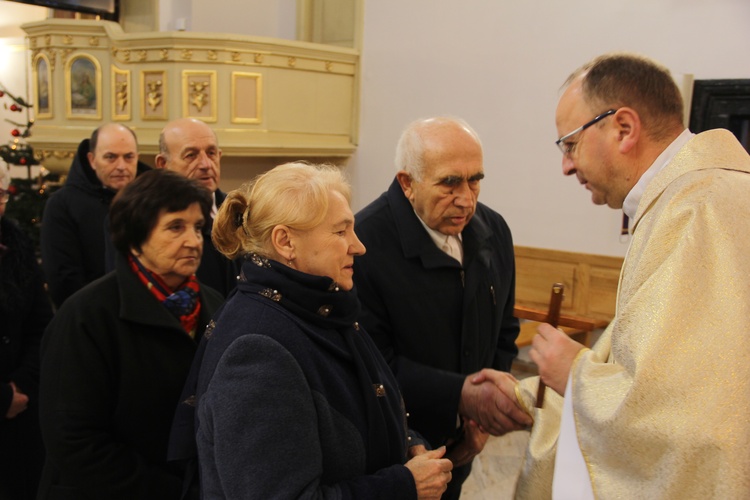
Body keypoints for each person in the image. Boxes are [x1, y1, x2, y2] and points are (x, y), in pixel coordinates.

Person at [509, 52, 750, 499]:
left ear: (623, 128)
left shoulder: (699, 210)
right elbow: (655, 356)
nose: (565, 165)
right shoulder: (693, 196)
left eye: (570, 143)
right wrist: (527, 393)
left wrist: (574, 373)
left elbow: (695, 413)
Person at [175, 162, 455, 499]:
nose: (358, 245)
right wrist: (403, 486)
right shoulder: (256, 352)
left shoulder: (319, 308)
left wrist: (408, 443)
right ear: (285, 241)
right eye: (340, 232)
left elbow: (359, 406)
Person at [353, 116, 532, 499]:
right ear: (407, 183)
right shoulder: (363, 244)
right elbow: (370, 364)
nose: (466, 199)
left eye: (475, 180)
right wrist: (461, 394)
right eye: (449, 182)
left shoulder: (493, 229)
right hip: (397, 452)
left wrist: (485, 405)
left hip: (466, 437)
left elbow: (505, 327)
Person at [37, 170, 224, 500]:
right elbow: (73, 439)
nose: (194, 241)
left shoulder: (213, 304)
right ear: (135, 237)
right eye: (175, 227)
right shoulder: (87, 315)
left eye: (197, 228)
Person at [41, 123, 150, 308]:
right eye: (111, 157)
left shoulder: (152, 198)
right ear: (92, 160)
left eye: (129, 157)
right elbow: (64, 277)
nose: (121, 166)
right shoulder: (62, 205)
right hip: (92, 315)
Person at [0, 168, 53, 499]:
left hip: (20, 407)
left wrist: (20, 387)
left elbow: (40, 325)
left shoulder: (15, 242)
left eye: (0, 195)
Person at [155, 117, 237, 297]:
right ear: (163, 164)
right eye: (191, 155)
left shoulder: (242, 214)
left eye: (211, 153)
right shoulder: (148, 220)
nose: (205, 165)